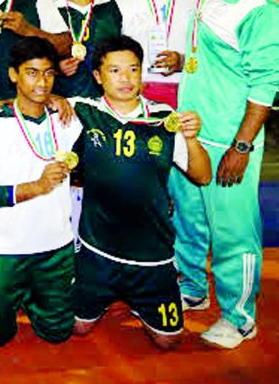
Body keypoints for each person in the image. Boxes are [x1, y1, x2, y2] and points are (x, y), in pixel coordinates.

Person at [171, 0, 279, 349]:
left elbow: (265, 83)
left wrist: (242, 145)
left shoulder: (258, 9)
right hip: (190, 136)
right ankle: (193, 289)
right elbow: (217, 58)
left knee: (234, 233)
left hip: (228, 142)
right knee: (189, 222)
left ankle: (240, 315)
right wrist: (182, 60)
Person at [68, 36, 211, 349]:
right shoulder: (83, 112)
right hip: (98, 250)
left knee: (168, 342)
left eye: (133, 69)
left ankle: (138, 298)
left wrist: (192, 139)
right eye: (115, 70)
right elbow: (37, 105)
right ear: (98, 76)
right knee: (76, 328)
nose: (126, 79)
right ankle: (99, 292)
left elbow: (202, 175)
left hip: (151, 254)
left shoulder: (164, 118)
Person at [0, 37, 83, 347]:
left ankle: (35, 300)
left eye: (48, 73)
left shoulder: (68, 120)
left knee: (58, 335)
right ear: (13, 75)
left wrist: (57, 98)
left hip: (55, 248)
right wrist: (36, 187)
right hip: (6, 249)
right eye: (31, 73)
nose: (41, 82)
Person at [53, 0, 122, 98]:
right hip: (59, 104)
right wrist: (55, 67)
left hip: (104, 104)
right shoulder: (49, 9)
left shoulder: (114, 9)